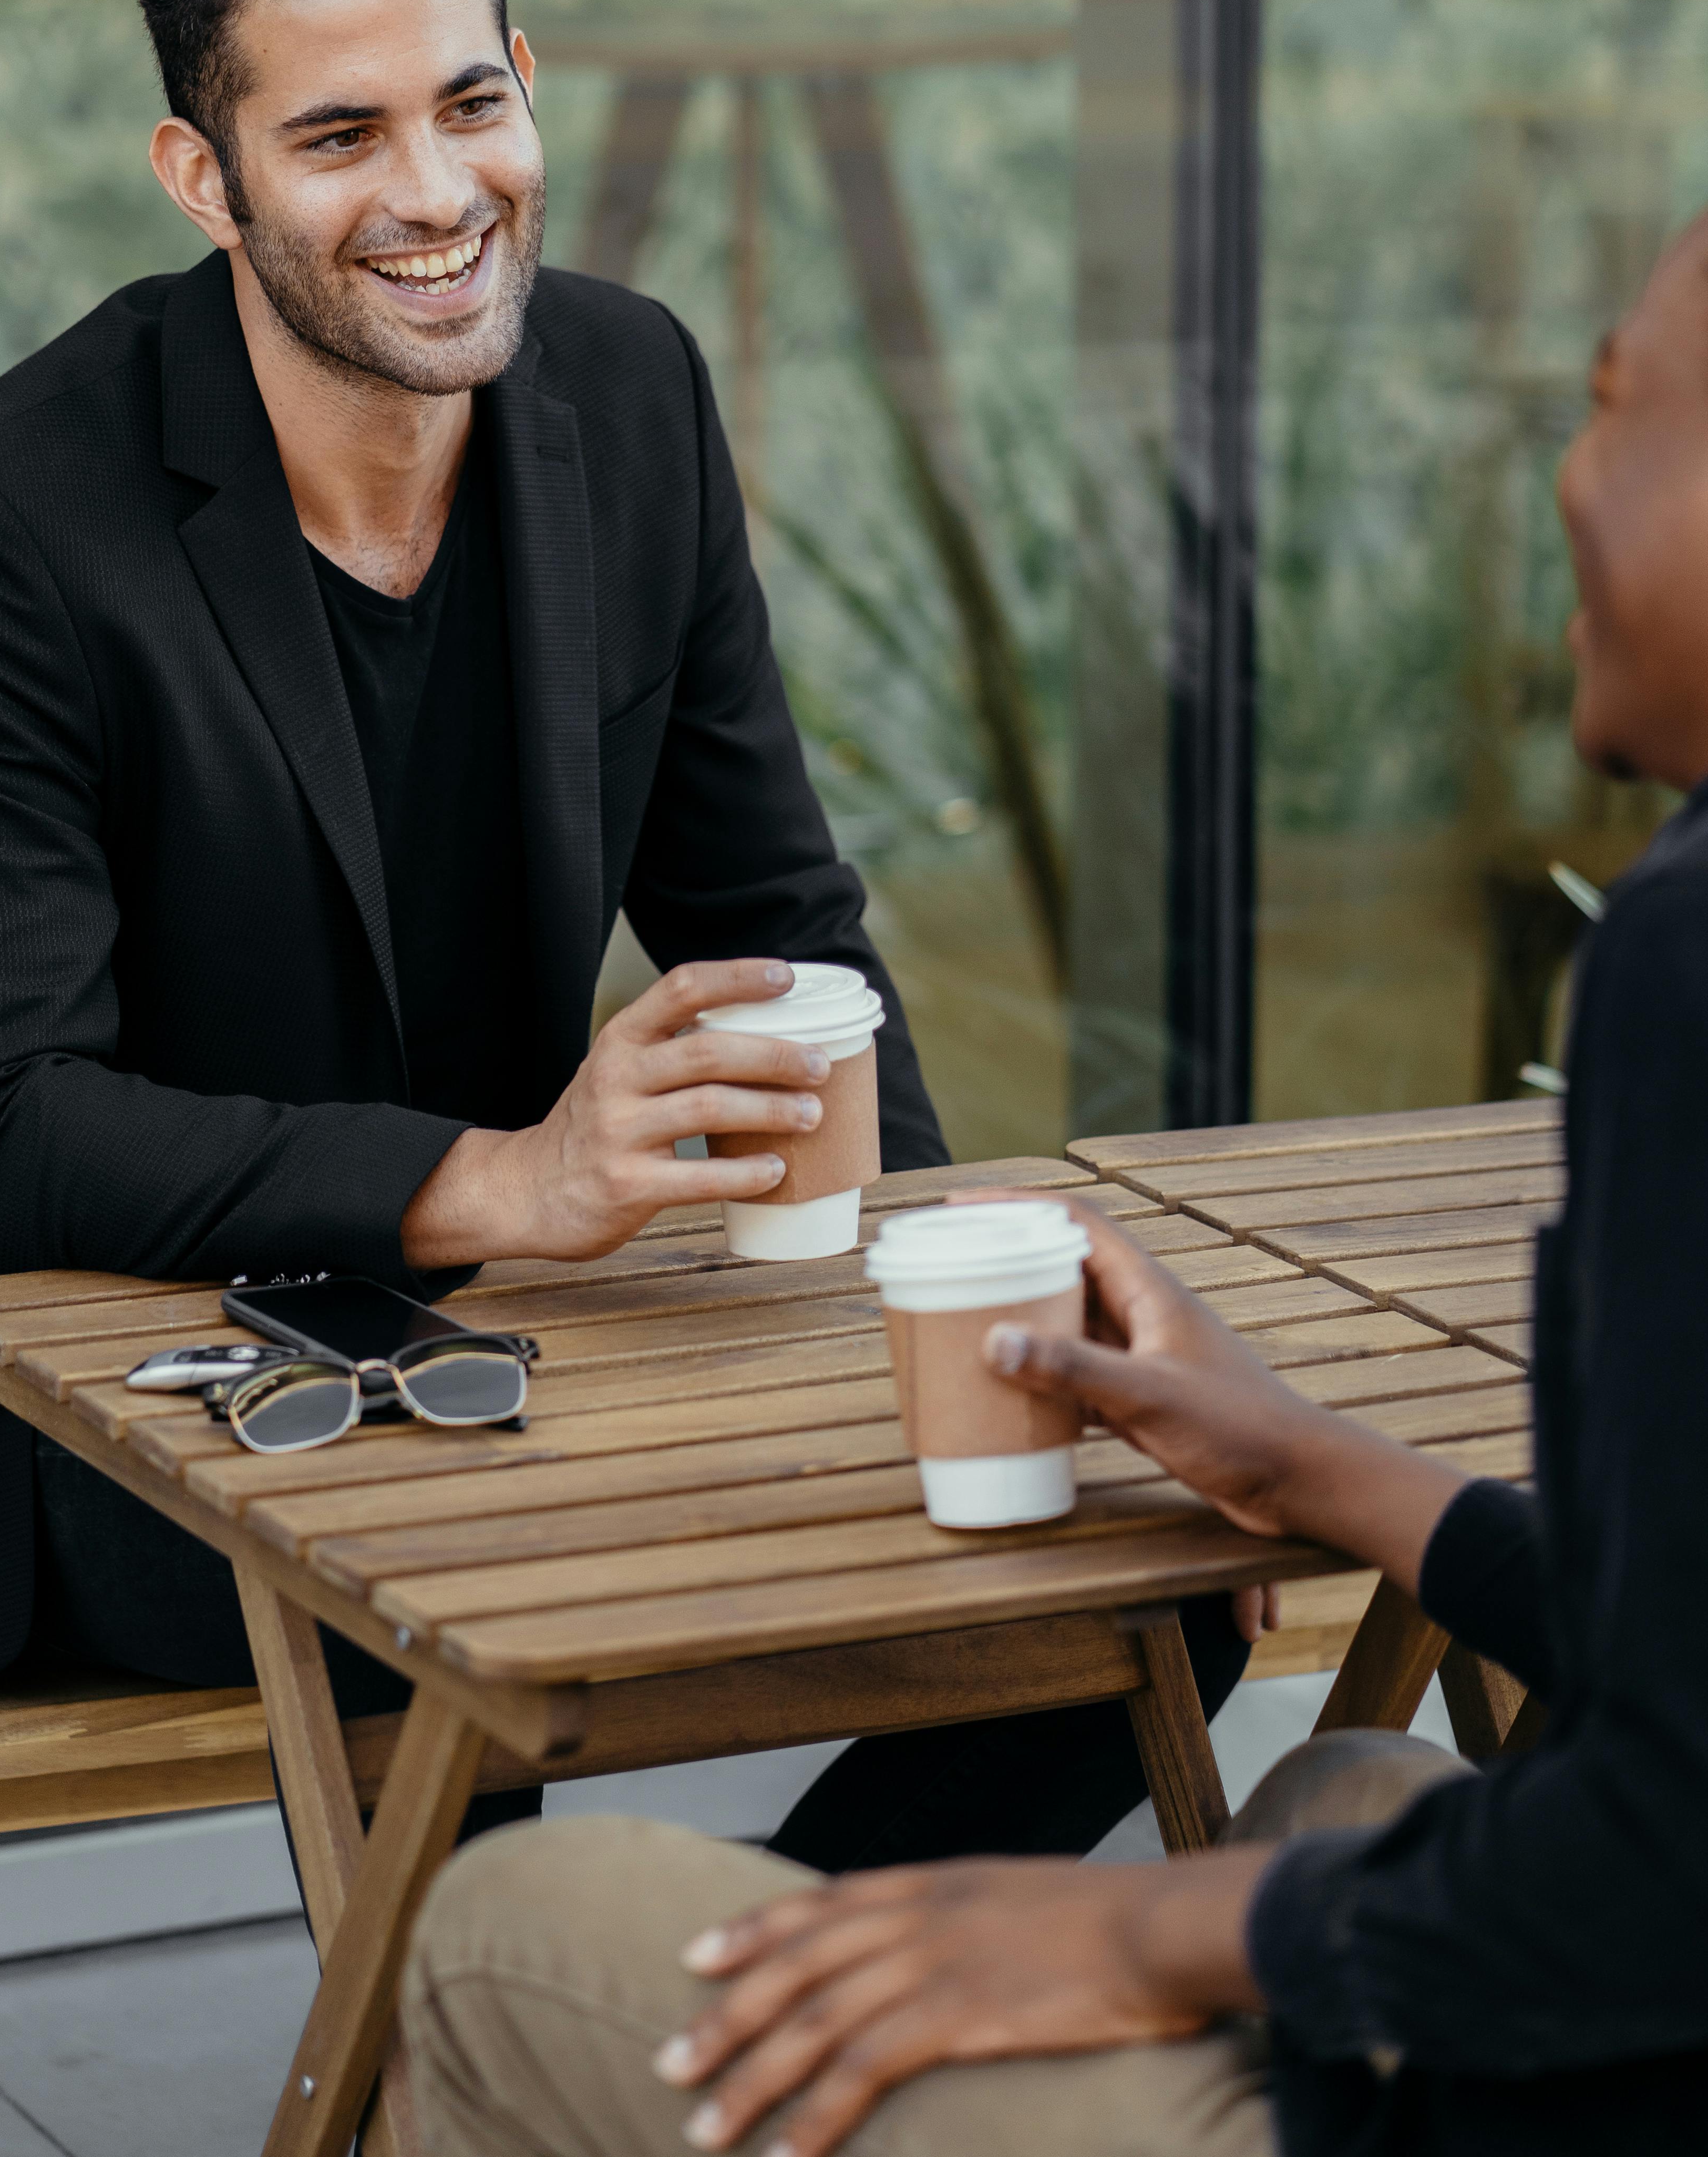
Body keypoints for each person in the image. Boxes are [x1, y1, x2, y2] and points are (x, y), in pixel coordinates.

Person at [0, 0, 1252, 1866]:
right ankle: (568, 2048)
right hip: (131, 1408)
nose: (441, 192)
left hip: (530, 1351)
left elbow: (779, 919)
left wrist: (932, 1289)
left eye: (472, 101)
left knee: (1157, 1562)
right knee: (488, 1613)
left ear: (529, 81)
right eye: (342, 137)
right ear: (205, 179)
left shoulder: (628, 393)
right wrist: (503, 1179)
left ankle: (690, 2047)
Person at [403, 211, 1708, 2151]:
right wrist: (1308, 1463)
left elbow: (1665, 1854)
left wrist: (1135, 1940)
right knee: (1345, 1799)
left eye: (1620, 412)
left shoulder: (1687, 969)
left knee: (501, 1931)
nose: (1568, 478)